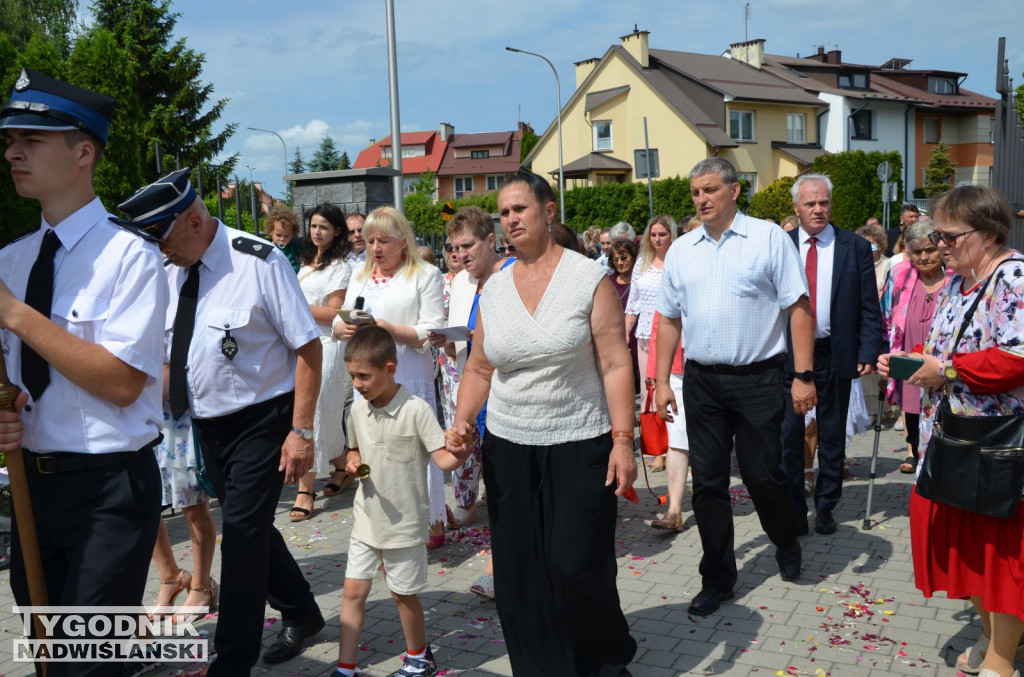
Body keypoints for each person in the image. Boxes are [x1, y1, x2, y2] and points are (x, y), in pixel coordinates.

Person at [114, 168, 326, 675]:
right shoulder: (169, 269)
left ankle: (232, 660)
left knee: (244, 535)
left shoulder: (258, 261)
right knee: (250, 528)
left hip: (262, 420)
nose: (160, 250)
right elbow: (167, 357)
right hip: (204, 424)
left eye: (163, 237)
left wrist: (301, 431)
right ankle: (301, 611)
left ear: (192, 220)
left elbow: (309, 348)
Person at [0, 69, 167, 677]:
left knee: (83, 665)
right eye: (10, 140)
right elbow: (13, 375)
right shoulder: (11, 260)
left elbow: (122, 382)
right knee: (48, 655)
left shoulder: (132, 257)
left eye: (32, 139)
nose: (13, 152)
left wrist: (17, 314)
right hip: (31, 487)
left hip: (108, 491)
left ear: (83, 152)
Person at [445, 168, 637, 675]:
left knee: (575, 564)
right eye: (503, 213)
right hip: (509, 446)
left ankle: (603, 659)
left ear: (548, 212)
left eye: (519, 209)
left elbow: (616, 363)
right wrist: (463, 424)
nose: (510, 220)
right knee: (519, 570)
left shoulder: (586, 277)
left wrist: (624, 441)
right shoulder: (496, 288)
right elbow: (480, 367)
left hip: (581, 440)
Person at [654, 157, 816, 618]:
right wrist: (661, 381)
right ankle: (717, 578)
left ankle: (785, 538)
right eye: (695, 193)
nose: (702, 200)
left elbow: (798, 309)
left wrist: (804, 376)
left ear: (734, 191)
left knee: (762, 475)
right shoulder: (683, 250)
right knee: (708, 482)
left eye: (710, 190)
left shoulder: (767, 239)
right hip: (702, 382)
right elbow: (668, 319)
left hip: (759, 378)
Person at [878, 186, 1024, 677]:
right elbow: (943, 350)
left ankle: (1002, 660)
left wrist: (948, 371)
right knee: (971, 551)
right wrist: (909, 363)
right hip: (955, 439)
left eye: (949, 236)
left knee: (1000, 554)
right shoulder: (960, 281)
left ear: (987, 234)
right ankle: (990, 638)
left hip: (998, 444)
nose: (940, 245)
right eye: (936, 235)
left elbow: (1015, 357)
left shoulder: (1014, 275)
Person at [332, 326, 467, 677]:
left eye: (364, 375)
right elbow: (354, 449)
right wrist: (350, 461)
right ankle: (345, 667)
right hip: (366, 519)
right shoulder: (356, 412)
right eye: (352, 376)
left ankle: (419, 656)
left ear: (390, 369)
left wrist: (463, 453)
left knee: (402, 596)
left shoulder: (416, 410)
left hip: (405, 524)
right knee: (352, 594)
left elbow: (443, 461)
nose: (357, 384)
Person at [332, 207, 447, 548]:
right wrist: (346, 326)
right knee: (379, 451)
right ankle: (385, 520)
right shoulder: (360, 275)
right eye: (370, 241)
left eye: (384, 240)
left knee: (415, 450)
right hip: (369, 379)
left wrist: (389, 330)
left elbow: (433, 327)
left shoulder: (425, 273)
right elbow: (338, 325)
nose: (376, 248)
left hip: (408, 372)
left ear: (403, 240)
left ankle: (431, 521)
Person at [780, 174, 882, 536]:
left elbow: (870, 305)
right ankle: (794, 506)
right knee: (789, 435)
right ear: (796, 207)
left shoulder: (853, 246)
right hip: (790, 360)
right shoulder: (781, 245)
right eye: (810, 204)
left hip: (837, 354)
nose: (818, 209)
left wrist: (869, 349)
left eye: (824, 202)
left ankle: (826, 506)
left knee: (832, 435)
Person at [430, 206, 508, 529]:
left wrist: (488, 335)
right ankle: (470, 504)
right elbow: (457, 346)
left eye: (467, 246)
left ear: (491, 240)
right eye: (454, 248)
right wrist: (445, 341)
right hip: (470, 381)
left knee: (500, 457)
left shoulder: (511, 274)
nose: (460, 255)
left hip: (504, 385)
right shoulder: (461, 282)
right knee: (469, 447)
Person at [290, 204, 353, 521]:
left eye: (324, 227)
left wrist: (294, 303)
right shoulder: (307, 261)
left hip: (327, 344)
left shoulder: (340, 265)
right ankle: (342, 466)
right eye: (313, 225)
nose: (317, 231)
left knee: (313, 411)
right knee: (325, 413)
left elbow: (333, 313)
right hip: (302, 343)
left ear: (337, 230)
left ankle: (305, 489)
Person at [879, 220, 949, 474]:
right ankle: (917, 459)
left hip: (943, 368)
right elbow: (886, 317)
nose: (923, 256)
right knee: (913, 414)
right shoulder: (900, 275)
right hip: (908, 360)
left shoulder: (955, 277)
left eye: (929, 250)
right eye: (916, 251)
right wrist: (885, 357)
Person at [626, 214, 678, 471]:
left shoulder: (679, 260)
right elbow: (632, 303)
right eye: (654, 234)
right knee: (649, 392)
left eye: (663, 234)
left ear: (672, 235)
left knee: (673, 389)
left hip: (673, 335)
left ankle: (676, 447)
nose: (657, 239)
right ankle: (658, 450)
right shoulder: (642, 263)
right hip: (645, 336)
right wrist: (625, 332)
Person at [647, 310, 689, 532]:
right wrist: (653, 371)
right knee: (677, 438)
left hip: (713, 365)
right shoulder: (673, 276)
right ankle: (674, 511)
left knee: (710, 439)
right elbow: (659, 324)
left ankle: (710, 504)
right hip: (675, 369)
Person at [609, 239, 640, 394]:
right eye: (616, 260)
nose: (620, 263)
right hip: (617, 338)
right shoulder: (608, 283)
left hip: (638, 339)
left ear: (633, 257)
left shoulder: (642, 281)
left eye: (624, 258)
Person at [855, 223, 892, 297]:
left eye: (870, 244)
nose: (865, 247)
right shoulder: (854, 265)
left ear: (879, 246)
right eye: (862, 244)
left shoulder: (889, 264)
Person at [267, 205, 303, 273]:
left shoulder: (293, 245)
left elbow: (304, 254)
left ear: (292, 234)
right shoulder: (269, 248)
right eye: (278, 235)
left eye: (286, 236)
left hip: (294, 275)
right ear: (271, 231)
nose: (282, 239)